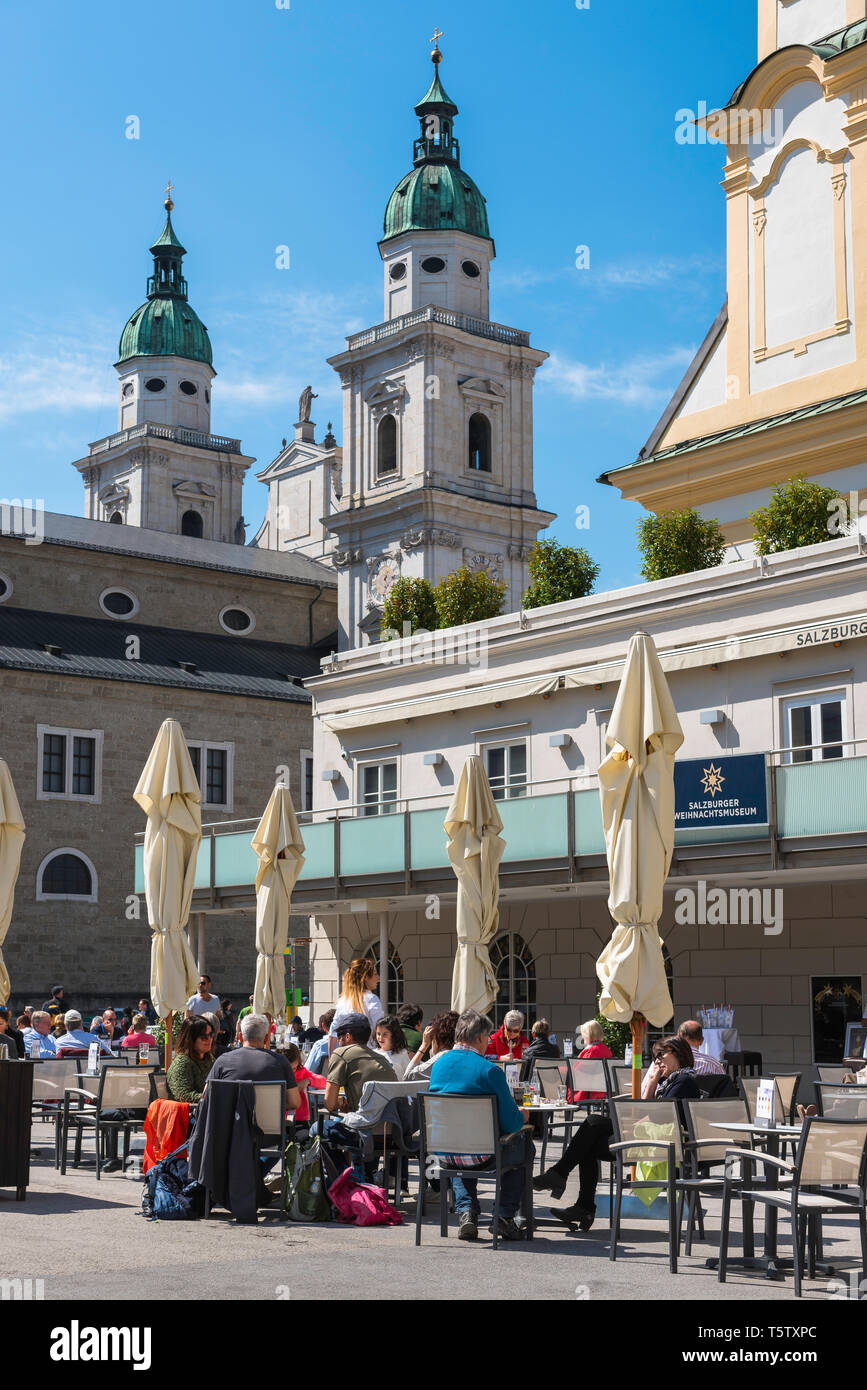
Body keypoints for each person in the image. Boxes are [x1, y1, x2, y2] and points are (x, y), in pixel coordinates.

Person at [534, 1034, 701, 1230]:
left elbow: (656, 1115)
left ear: (677, 1053)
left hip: (659, 1144)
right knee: (591, 1128)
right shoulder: (670, 1081)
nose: (657, 1061)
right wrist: (654, 1080)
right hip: (648, 1134)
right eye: (655, 1056)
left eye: (661, 1055)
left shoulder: (684, 1081)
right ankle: (572, 1192)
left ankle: (572, 1191)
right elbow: (644, 1110)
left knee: (590, 1133)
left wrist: (630, 1124)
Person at [428, 1009, 533, 1242]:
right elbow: (512, 1122)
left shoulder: (438, 1066)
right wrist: (523, 1116)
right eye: (487, 1037)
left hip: (445, 1152)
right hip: (484, 1154)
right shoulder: (489, 1070)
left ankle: (467, 1212)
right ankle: (504, 1216)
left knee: (459, 1143)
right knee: (522, 1144)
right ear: (479, 1038)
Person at [323, 1014, 396, 1180]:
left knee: (317, 1130)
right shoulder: (382, 1059)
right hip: (390, 1135)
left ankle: (345, 1177)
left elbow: (329, 1104)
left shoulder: (342, 1053)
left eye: (339, 1037)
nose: (338, 1041)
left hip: (363, 1133)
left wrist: (339, 1105)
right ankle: (361, 1177)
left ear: (347, 1037)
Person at [207, 1014, 301, 1105]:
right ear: (266, 1038)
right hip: (268, 1121)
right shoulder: (281, 1062)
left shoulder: (222, 1061)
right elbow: (294, 1102)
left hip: (230, 1120)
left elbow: (206, 1095)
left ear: (240, 1037)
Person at [328, 958, 384, 1055]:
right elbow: (381, 1030)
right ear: (366, 977)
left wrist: (331, 1060)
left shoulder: (343, 1001)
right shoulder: (371, 999)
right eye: (375, 974)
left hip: (346, 1056)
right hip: (368, 1055)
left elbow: (332, 1033)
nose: (378, 977)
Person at [166, 1017, 216, 1102]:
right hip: (188, 1113)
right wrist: (213, 1097)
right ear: (191, 1039)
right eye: (204, 1037)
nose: (209, 1039)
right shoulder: (182, 1063)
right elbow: (184, 1096)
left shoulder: (210, 1060)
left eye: (211, 1034)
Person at [405, 1010, 458, 1080]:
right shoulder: (464, 1054)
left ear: (436, 1036)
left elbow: (407, 1077)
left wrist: (424, 1045)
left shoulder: (443, 1056)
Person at [570, 1018, 613, 1102]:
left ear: (588, 1035)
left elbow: (577, 1071)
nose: (582, 1036)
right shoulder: (606, 1050)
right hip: (602, 1092)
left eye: (583, 1034)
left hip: (587, 1092)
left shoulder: (591, 1051)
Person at [373, 1015, 411, 1079]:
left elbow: (408, 1077)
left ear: (394, 1035)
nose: (380, 1038)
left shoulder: (402, 1054)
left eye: (385, 1034)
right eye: (378, 1034)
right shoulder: (373, 1053)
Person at [306, 1010, 336, 1074]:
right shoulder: (349, 1045)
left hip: (323, 1082)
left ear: (323, 1026)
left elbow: (308, 1071)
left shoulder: (320, 1045)